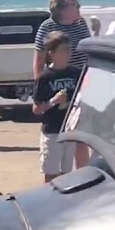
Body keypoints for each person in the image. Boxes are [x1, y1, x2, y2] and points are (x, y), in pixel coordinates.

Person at [32, 31, 83, 182]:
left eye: (69, 49)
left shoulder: (76, 73)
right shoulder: (45, 77)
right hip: (52, 131)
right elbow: (36, 109)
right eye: (63, 50)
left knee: (66, 173)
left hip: (70, 130)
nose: (67, 53)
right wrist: (53, 101)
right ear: (51, 53)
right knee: (51, 172)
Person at [33, 0, 91, 79]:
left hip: (80, 79)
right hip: (58, 81)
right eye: (74, 4)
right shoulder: (48, 27)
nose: (79, 6)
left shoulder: (81, 24)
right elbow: (39, 64)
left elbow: (89, 53)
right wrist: (40, 87)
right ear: (61, 9)